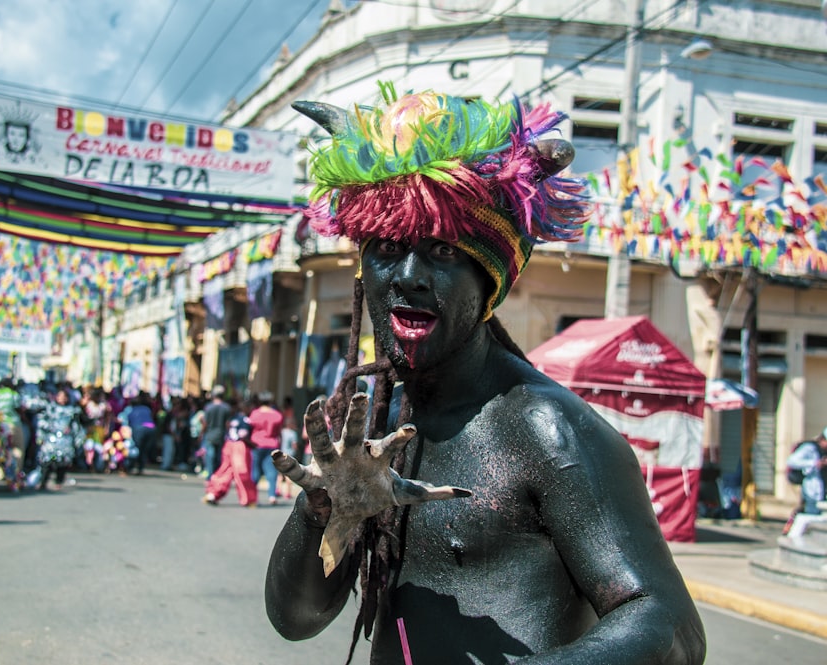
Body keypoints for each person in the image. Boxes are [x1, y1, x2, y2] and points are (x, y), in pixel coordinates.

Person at [265, 84, 706, 664]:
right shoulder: (383, 425)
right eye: (388, 247)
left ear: (489, 280)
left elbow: (669, 629)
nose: (410, 275)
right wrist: (322, 509)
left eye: (444, 252)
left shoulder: (547, 431)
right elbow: (295, 621)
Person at [202, 398, 258, 507]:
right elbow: (243, 436)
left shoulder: (233, 418)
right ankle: (248, 498)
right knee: (242, 472)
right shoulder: (245, 420)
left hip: (229, 445)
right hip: (239, 446)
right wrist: (253, 445)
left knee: (225, 470)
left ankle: (213, 493)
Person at [783, 428, 827, 536]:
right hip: (812, 491)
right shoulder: (810, 448)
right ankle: (794, 537)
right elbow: (791, 461)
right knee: (811, 516)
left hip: (821, 491)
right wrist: (814, 463)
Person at [249, 391, 285, 505]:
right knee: (271, 471)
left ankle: (252, 495)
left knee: (255, 470)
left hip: (256, 444)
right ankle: (272, 495)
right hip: (271, 444)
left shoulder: (254, 414)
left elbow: (250, 428)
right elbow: (279, 432)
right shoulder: (277, 415)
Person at [200, 385, 232, 479]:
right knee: (218, 456)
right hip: (221, 434)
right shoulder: (226, 408)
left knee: (210, 455)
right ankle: (217, 474)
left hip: (210, 435)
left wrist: (202, 433)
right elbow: (227, 423)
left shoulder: (209, 407)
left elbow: (205, 423)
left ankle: (210, 474)